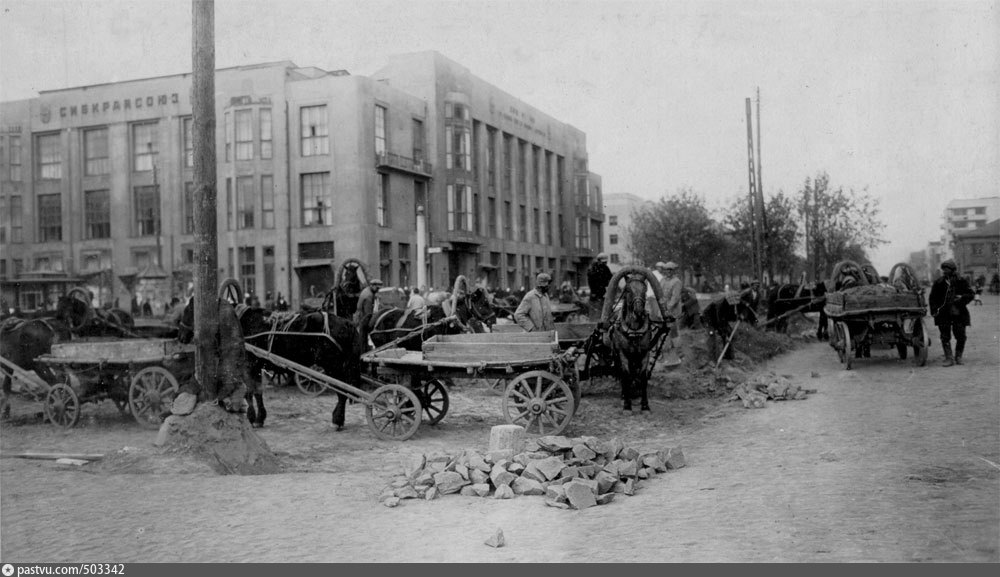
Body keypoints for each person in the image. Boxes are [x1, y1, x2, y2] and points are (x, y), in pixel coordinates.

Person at [928, 259, 975, 366]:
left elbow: (971, 294)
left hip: (958, 312)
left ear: (953, 270)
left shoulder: (961, 281)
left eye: (947, 269)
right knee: (945, 336)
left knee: (961, 336)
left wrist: (962, 298)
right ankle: (949, 358)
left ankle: (958, 357)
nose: (945, 271)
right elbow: (932, 298)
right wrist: (935, 310)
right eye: (944, 269)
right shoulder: (939, 282)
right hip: (943, 314)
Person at [355, 279, 383, 349]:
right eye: (377, 288)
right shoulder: (369, 296)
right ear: (372, 285)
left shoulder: (367, 290)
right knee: (364, 335)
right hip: (363, 317)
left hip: (360, 315)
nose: (378, 290)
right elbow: (368, 314)